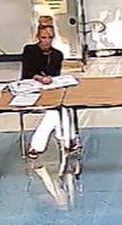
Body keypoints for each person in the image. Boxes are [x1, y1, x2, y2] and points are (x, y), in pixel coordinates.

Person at [22, 24, 78, 158]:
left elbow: (54, 75)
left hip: (50, 88)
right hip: (31, 87)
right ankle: (68, 139)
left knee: (61, 109)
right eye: (43, 37)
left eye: (50, 38)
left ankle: (38, 145)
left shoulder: (57, 55)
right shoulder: (29, 50)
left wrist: (49, 80)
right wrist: (40, 78)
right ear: (38, 37)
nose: (47, 41)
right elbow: (27, 73)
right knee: (58, 111)